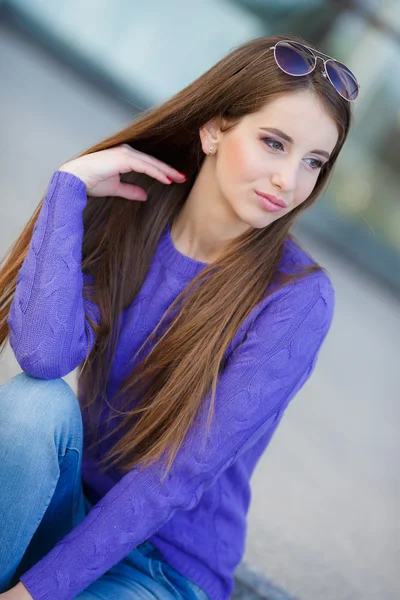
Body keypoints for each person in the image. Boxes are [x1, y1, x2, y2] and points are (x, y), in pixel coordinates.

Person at [0, 34, 358, 600]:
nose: (288, 181)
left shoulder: (296, 298)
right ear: (215, 128)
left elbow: (174, 478)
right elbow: (43, 356)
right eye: (273, 143)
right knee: (31, 404)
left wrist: (31, 594)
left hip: (164, 568)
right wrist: (68, 187)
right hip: (70, 509)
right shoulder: (132, 216)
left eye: (313, 161)